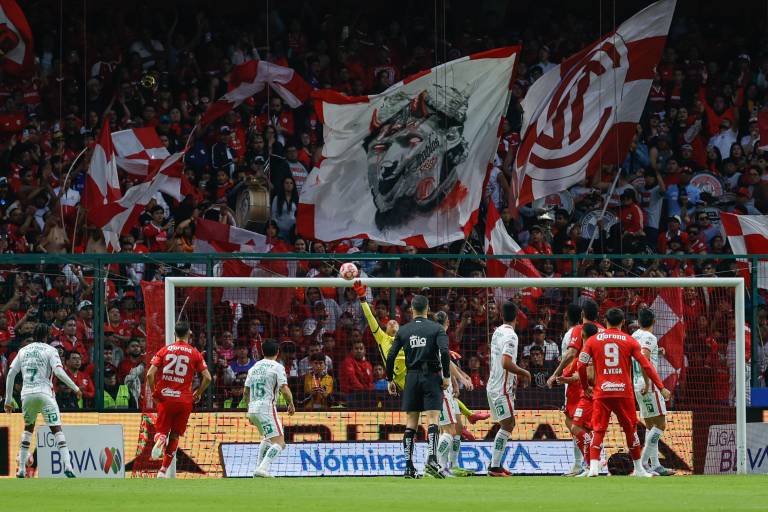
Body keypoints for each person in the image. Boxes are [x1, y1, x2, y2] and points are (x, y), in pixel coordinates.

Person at [353, 280, 488, 425]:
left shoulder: (407, 335)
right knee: (437, 396)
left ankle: (466, 418)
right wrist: (362, 298)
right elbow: (370, 317)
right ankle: (462, 420)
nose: (392, 322)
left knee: (444, 392)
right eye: (389, 322)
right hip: (403, 379)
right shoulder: (381, 338)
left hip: (419, 371)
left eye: (395, 322)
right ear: (385, 328)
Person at [577, 308, 671, 478]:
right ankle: (640, 469)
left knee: (598, 430)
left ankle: (593, 468)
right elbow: (646, 365)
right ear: (622, 323)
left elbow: (580, 365)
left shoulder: (593, 340)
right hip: (623, 392)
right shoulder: (629, 340)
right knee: (630, 431)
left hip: (602, 392)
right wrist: (660, 386)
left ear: (605, 321)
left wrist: (585, 387)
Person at [385, 294, 451, 479]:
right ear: (427, 309)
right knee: (433, 419)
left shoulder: (404, 330)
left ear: (412, 309)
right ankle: (431, 459)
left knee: (411, 423)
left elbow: (390, 356)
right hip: (431, 376)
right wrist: (446, 376)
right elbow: (445, 352)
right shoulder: (436, 328)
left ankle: (408, 467)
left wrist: (390, 379)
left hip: (411, 377)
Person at [4, 336, 82, 478]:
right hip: (45, 394)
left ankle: (21, 469)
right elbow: (58, 372)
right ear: (46, 336)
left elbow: (10, 374)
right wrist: (75, 388)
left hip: (27, 395)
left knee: (28, 429)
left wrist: (8, 400)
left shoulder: (23, 350)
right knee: (57, 430)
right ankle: (68, 466)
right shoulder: (50, 349)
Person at [146, 321, 212, 478]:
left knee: (162, 431)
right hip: (184, 400)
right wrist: (197, 393)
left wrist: (155, 391)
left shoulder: (165, 350)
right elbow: (208, 378)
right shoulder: (194, 353)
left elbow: (150, 374)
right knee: (175, 435)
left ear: (175, 334)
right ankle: (163, 471)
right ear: (189, 333)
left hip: (166, 397)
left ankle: (161, 438)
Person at [486, 301, 531, 477]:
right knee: (508, 424)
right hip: (500, 388)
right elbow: (506, 362)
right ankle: (494, 466)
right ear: (517, 317)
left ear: (501, 315)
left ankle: (496, 465)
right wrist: (523, 372)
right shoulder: (511, 336)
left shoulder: (497, 331)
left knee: (507, 424)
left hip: (495, 385)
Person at [632, 308, 675, 476]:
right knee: (661, 425)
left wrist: (658, 351)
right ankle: (642, 464)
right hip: (648, 385)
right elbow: (644, 357)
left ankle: (655, 465)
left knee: (650, 426)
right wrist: (650, 382)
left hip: (637, 383)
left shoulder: (634, 336)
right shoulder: (650, 337)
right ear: (654, 321)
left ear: (638, 321)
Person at [244, 339, 296, 477]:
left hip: (253, 408)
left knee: (267, 439)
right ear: (277, 352)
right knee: (280, 443)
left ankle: (259, 469)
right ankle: (262, 469)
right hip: (266, 407)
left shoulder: (253, 368)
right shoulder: (277, 367)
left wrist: (249, 410)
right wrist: (290, 403)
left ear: (262, 352)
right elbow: (284, 389)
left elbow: (246, 392)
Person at [559, 323, 599, 477]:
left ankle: (592, 462)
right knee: (577, 427)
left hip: (589, 394)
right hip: (584, 394)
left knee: (578, 429)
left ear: (583, 335)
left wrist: (568, 379)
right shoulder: (589, 349)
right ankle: (590, 464)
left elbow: (589, 375)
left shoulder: (590, 350)